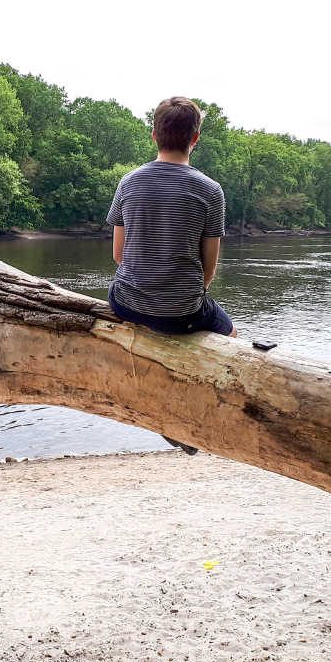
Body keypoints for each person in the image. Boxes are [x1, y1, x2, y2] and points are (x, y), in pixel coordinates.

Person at [106, 95, 236, 454]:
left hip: (127, 302)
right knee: (231, 334)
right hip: (182, 311)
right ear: (195, 138)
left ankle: (160, 410)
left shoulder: (129, 183)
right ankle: (194, 416)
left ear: (153, 135)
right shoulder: (211, 190)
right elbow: (208, 271)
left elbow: (118, 255)